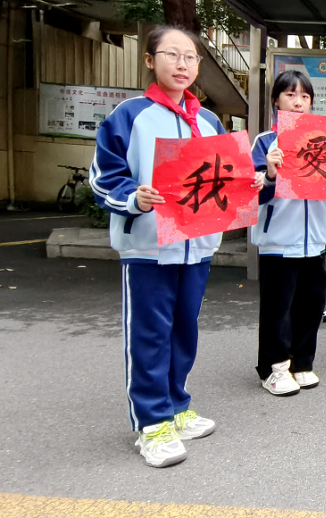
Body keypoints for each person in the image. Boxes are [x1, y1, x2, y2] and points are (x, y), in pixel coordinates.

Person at [89, 25, 263, 467]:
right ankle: (151, 423)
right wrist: (134, 198)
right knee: (149, 333)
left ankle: (176, 404)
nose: (182, 64)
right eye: (172, 54)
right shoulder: (130, 116)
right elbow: (104, 177)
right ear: (150, 60)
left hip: (196, 245)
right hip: (148, 247)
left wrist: (252, 182)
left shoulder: (208, 122)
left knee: (184, 328)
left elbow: (226, 178)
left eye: (190, 57)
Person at [250, 70, 326, 395]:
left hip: (314, 239)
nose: (298, 102)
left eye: (304, 96)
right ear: (276, 100)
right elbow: (250, 193)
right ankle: (274, 367)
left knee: (310, 304)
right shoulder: (265, 142)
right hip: (277, 241)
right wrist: (269, 174)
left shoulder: (324, 139)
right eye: (290, 94)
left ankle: (302, 361)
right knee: (277, 308)